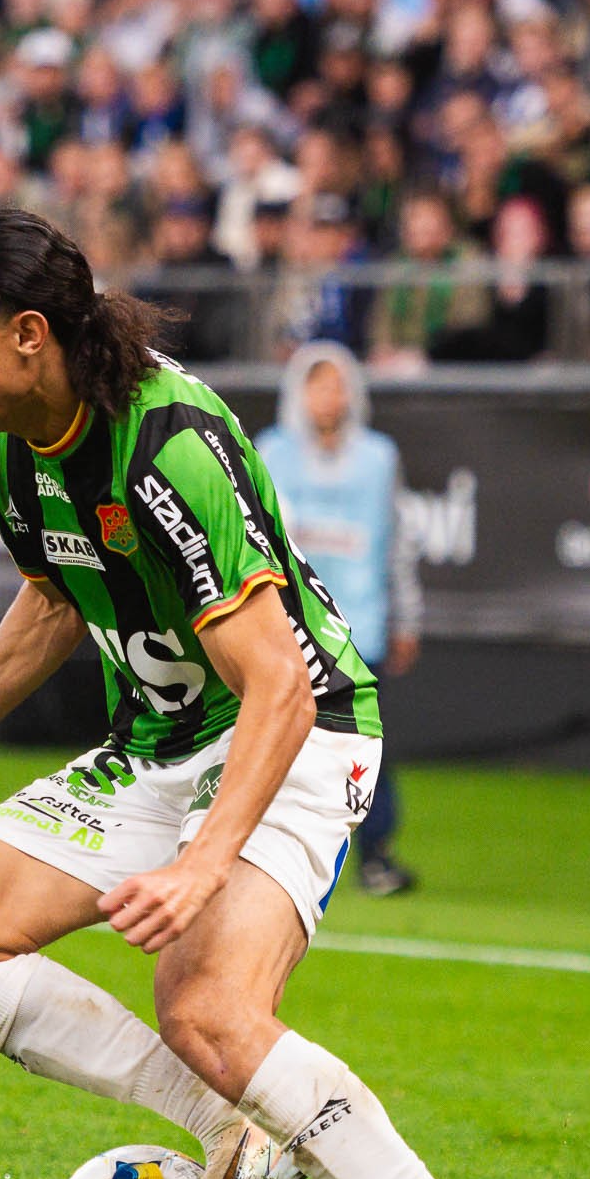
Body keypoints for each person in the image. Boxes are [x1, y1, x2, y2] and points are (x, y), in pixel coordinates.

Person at [0, 209, 561, 1179]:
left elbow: (278, 685)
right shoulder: (0, 438)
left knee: (208, 1007)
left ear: (28, 336)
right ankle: (231, 1126)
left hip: (303, 729)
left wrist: (200, 865)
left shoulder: (166, 445)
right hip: (163, 739)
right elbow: (58, 593)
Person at [254, 343, 424, 896]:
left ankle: (376, 855)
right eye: (318, 384)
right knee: (274, 738)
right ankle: (266, 853)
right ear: (298, 392)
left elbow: (398, 542)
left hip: (359, 626)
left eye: (338, 385)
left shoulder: (379, 458)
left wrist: (406, 617)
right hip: (288, 624)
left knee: (364, 748)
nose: (330, 397)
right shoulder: (270, 452)